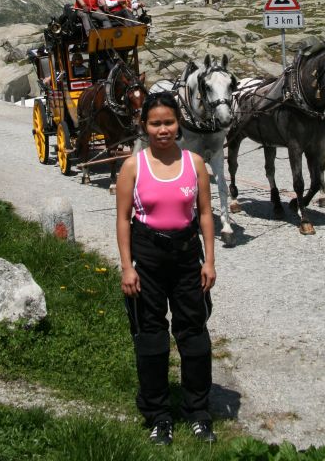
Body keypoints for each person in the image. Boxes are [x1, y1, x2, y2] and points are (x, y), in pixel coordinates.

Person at [116, 92, 217, 446]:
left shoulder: (195, 163)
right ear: (144, 126)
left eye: (169, 122)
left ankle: (198, 412)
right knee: (152, 337)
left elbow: (205, 213)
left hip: (188, 256)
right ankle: (158, 414)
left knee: (194, 334)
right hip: (149, 257)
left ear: (179, 124)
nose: (163, 130)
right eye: (155, 123)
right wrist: (128, 267)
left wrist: (210, 260)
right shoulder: (133, 166)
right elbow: (123, 219)